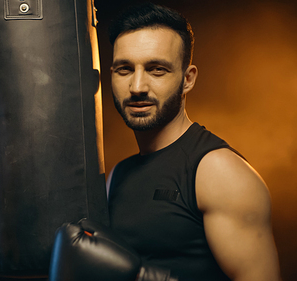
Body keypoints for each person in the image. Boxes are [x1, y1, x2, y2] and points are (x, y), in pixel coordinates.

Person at [105, 2, 281, 281]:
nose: (137, 86)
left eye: (157, 69)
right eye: (124, 69)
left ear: (187, 79)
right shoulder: (117, 175)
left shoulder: (218, 172)